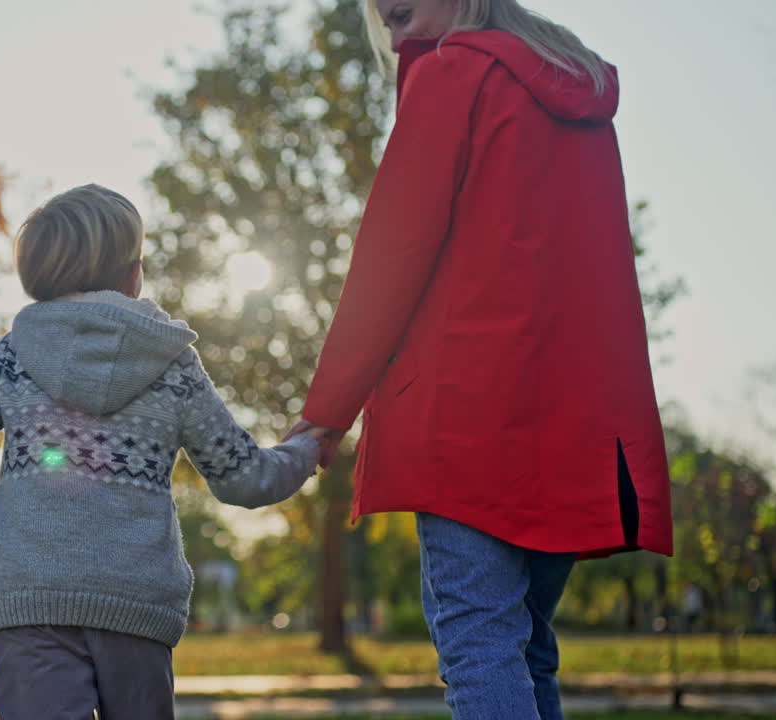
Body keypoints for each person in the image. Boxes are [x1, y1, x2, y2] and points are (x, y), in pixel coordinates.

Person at [284, 1, 674, 718]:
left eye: (400, 15)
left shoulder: (453, 74)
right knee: (526, 648)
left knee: (479, 646)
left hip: (467, 424)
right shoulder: (576, 92)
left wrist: (326, 413)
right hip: (575, 428)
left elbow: (391, 257)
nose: (393, 35)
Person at [0, 184, 324, 720]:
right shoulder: (172, 367)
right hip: (136, 607)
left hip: (31, 604)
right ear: (133, 274)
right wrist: (306, 446)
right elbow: (244, 477)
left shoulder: (12, 359)